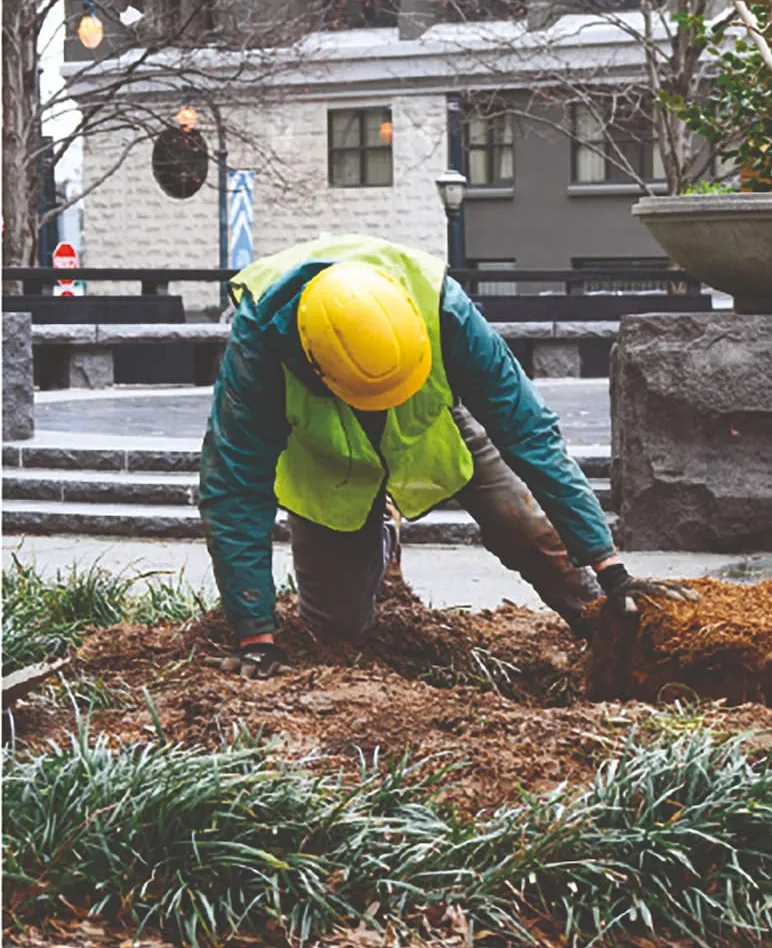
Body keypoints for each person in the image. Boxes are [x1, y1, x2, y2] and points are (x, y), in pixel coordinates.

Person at [201, 234, 696, 679]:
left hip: (433, 426)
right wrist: (255, 635)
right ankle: (381, 533)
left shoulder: (442, 306)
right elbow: (234, 484)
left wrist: (610, 567)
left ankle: (602, 624)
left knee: (522, 524)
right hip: (327, 458)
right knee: (339, 626)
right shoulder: (260, 341)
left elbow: (528, 431)